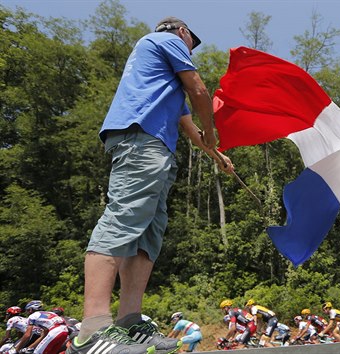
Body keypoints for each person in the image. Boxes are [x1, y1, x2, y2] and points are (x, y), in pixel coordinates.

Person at [70, 16, 233, 354]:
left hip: (156, 147)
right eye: (192, 44)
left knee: (147, 235)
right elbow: (199, 88)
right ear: (184, 33)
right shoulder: (165, 41)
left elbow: (186, 120)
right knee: (123, 219)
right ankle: (92, 329)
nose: (190, 50)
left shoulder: (162, 82)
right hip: (140, 139)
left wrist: (215, 153)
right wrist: (213, 130)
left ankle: (130, 323)